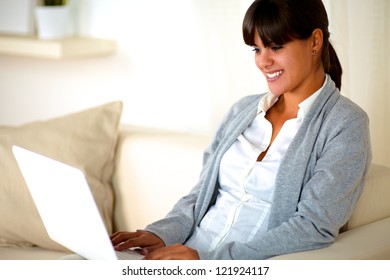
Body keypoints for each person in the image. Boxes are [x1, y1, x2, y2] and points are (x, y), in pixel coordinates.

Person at [110, 0, 372, 260]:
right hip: (185, 253)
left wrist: (208, 262)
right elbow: (202, 193)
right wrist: (161, 234)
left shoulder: (346, 124)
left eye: (276, 47)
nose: (263, 62)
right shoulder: (243, 110)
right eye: (256, 49)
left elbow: (313, 226)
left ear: (315, 41)